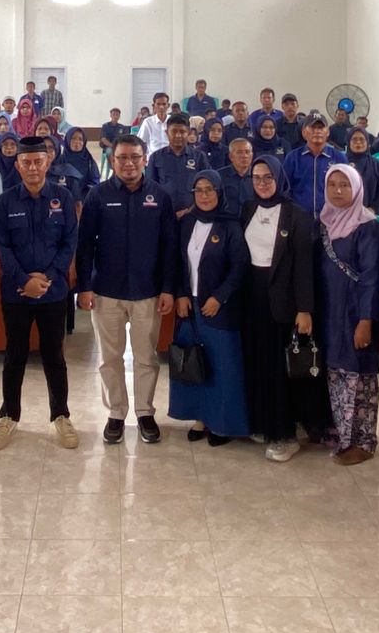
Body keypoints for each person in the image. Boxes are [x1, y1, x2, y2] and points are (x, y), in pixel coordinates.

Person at [77, 134, 176, 445]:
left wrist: (168, 288)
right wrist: (84, 287)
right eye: (122, 158)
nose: (129, 163)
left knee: (146, 357)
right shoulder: (98, 195)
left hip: (148, 291)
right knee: (110, 358)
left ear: (145, 159)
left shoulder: (160, 196)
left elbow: (170, 246)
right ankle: (116, 413)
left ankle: (145, 412)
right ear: (113, 160)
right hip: (106, 291)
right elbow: (84, 245)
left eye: (135, 157)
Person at [0, 137, 80, 450]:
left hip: (53, 293)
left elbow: (69, 242)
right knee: (14, 355)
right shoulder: (7, 200)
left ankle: (61, 415)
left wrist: (49, 277)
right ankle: (9, 415)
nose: (32, 167)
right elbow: (2, 245)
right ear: (17, 165)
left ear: (47, 162)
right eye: (26, 162)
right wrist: (23, 280)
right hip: (16, 292)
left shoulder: (63, 197)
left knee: (54, 356)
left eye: (38, 161)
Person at [238, 155, 325, 462]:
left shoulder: (296, 215)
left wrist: (305, 308)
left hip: (284, 301)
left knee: (281, 368)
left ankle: (285, 434)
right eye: (256, 177)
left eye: (268, 177)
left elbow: (303, 266)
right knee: (258, 362)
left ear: (279, 178)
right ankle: (264, 423)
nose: (262, 183)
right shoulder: (247, 209)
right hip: (253, 298)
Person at [170, 171, 250, 447]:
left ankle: (222, 424)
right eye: (199, 190)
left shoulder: (230, 224)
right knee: (194, 362)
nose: (204, 196)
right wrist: (181, 294)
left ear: (219, 192)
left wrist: (219, 297)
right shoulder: (186, 222)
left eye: (209, 189)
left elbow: (239, 266)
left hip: (218, 307)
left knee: (223, 366)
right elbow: (177, 261)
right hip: (189, 307)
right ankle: (199, 418)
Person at [319, 165, 379, 466]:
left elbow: (372, 276)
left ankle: (363, 441)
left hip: (357, 312)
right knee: (338, 375)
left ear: (356, 188)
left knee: (360, 377)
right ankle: (344, 436)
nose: (338, 190)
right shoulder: (324, 221)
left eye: (345, 184)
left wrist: (366, 320)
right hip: (331, 312)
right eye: (332, 184)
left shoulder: (367, 226)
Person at [282, 111, 347, 218]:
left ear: (328, 132)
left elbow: (346, 190)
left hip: (331, 219)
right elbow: (285, 189)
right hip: (299, 219)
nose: (317, 131)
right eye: (313, 127)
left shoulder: (339, 158)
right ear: (304, 132)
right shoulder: (293, 158)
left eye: (321, 127)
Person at [149, 113, 202, 218]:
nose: (178, 135)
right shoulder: (155, 157)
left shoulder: (199, 157)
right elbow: (150, 188)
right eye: (174, 131)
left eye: (182, 132)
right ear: (166, 133)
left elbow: (205, 187)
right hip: (163, 215)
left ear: (188, 133)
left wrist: (190, 210)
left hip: (193, 215)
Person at [218, 138, 255, 217]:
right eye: (239, 152)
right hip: (226, 220)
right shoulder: (219, 176)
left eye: (247, 152)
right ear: (231, 156)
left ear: (252, 155)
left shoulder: (258, 176)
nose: (244, 156)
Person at [136, 92, 172, 156]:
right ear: (153, 106)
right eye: (158, 104)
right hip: (153, 158)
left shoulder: (173, 121)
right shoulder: (148, 122)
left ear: (168, 105)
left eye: (164, 104)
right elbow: (140, 142)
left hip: (170, 157)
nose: (161, 107)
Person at [99, 108, 126, 172]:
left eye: (117, 115)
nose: (115, 116)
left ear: (119, 116)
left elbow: (125, 139)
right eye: (113, 114)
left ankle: (121, 169)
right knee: (109, 152)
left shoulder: (122, 127)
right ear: (110, 115)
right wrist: (112, 146)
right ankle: (113, 168)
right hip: (109, 146)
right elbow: (103, 139)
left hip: (119, 146)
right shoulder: (105, 126)